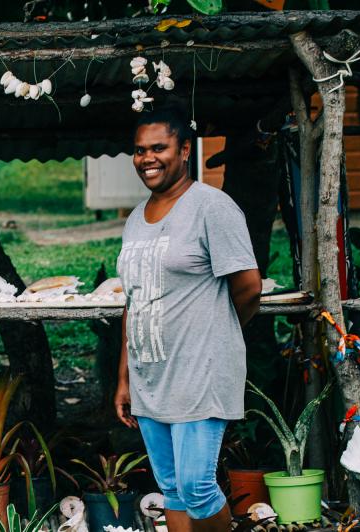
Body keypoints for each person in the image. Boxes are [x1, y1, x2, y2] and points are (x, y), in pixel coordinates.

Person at [114, 107, 262, 532]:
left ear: (183, 150)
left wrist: (217, 330)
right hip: (150, 376)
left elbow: (248, 287)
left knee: (197, 486)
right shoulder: (136, 220)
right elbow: (134, 300)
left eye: (158, 148)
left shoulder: (211, 207)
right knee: (173, 488)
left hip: (200, 371)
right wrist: (124, 378)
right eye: (139, 151)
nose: (147, 159)